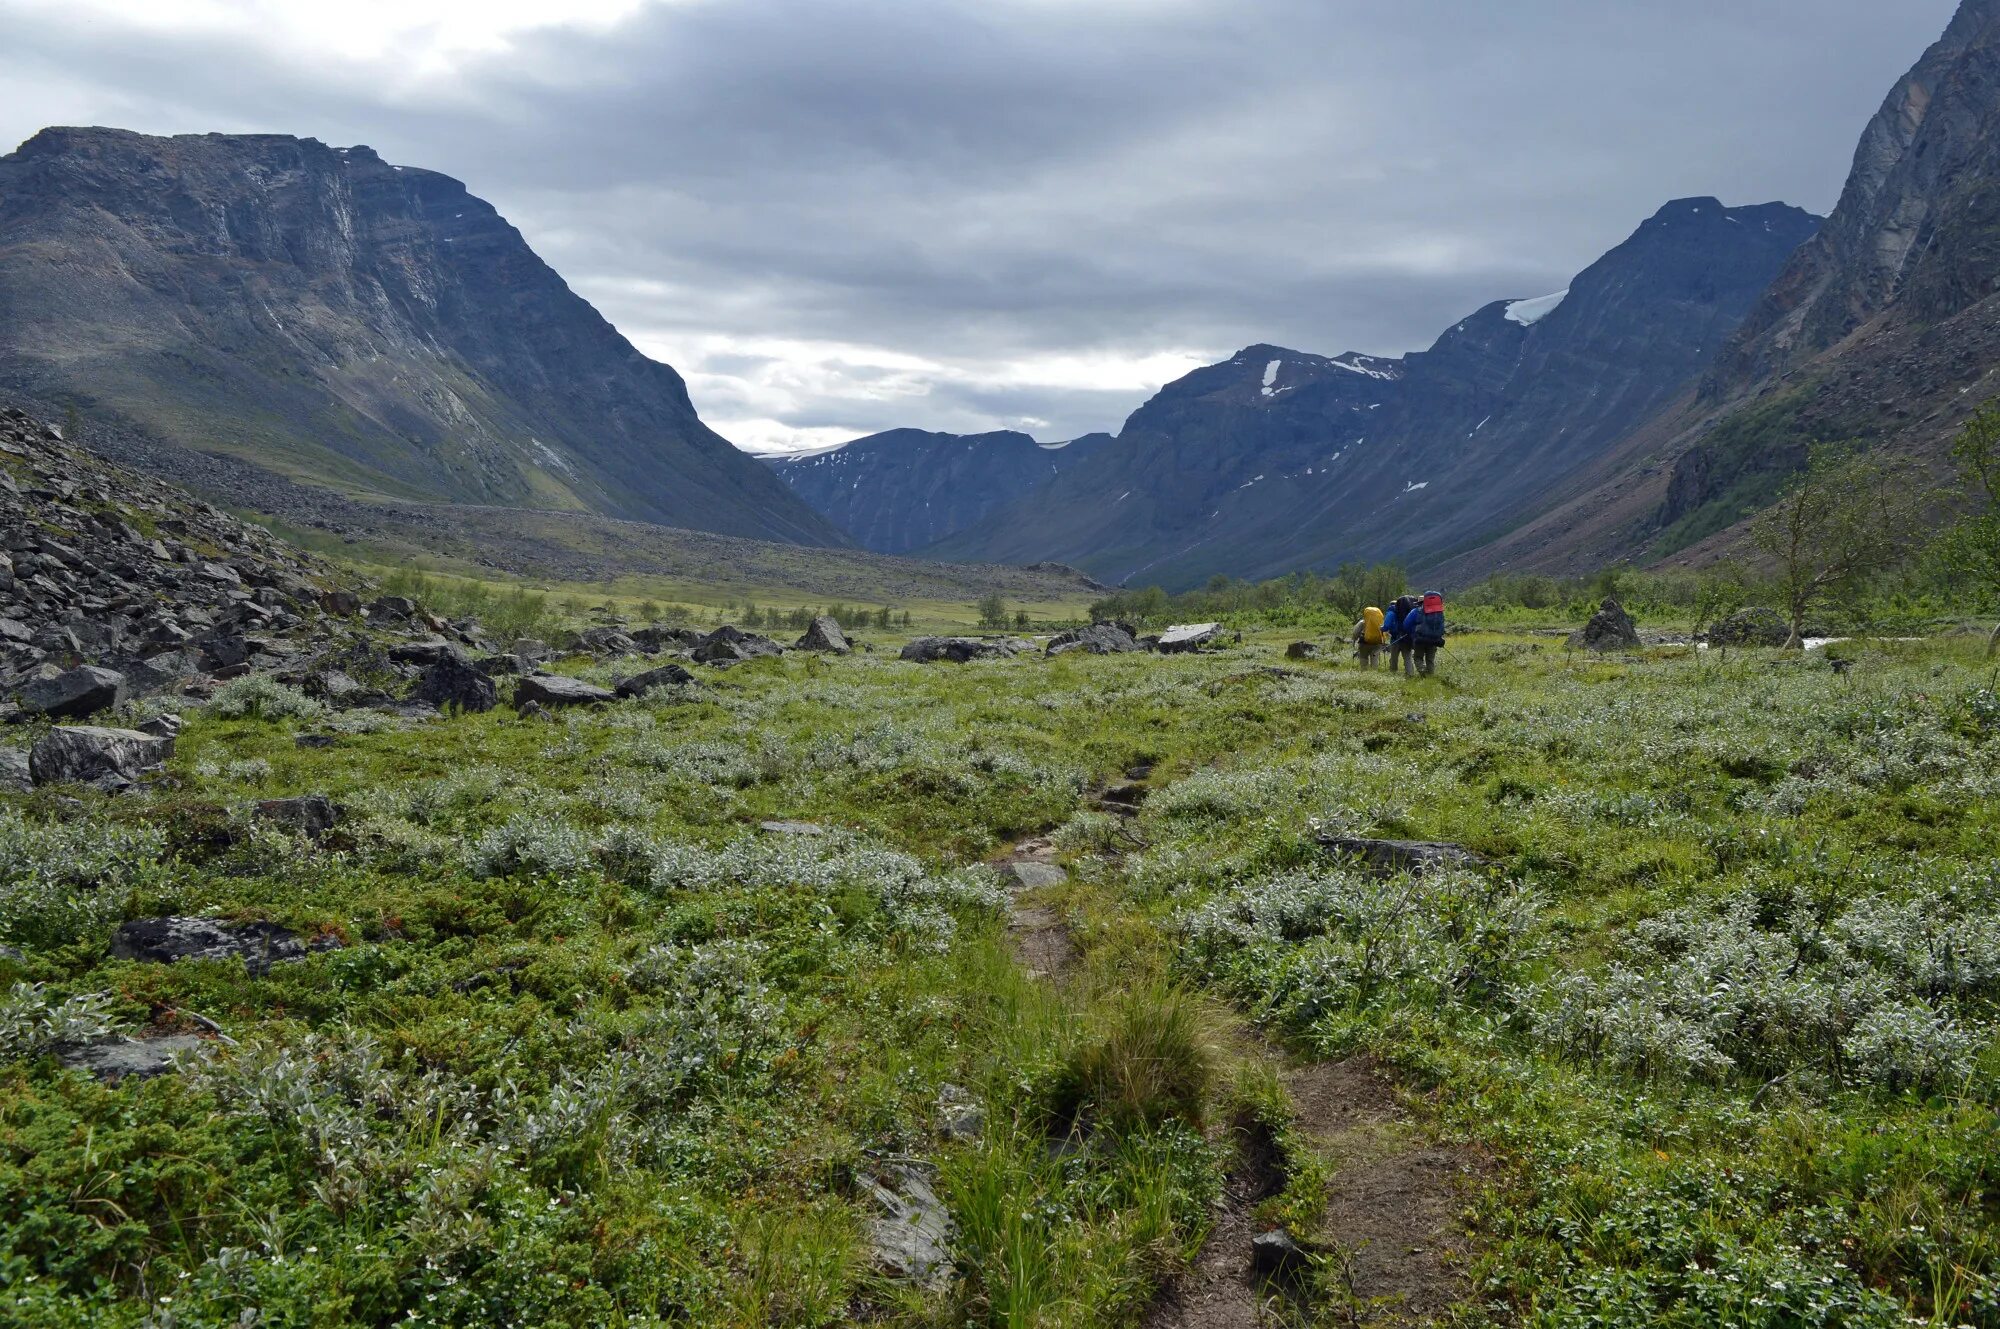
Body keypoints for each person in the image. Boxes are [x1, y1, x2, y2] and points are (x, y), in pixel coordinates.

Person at [1408, 590, 1446, 676]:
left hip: (1420, 638)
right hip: (1434, 639)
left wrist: (1412, 633)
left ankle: (1423, 672)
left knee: (1418, 657)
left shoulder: (1416, 611)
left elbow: (1406, 624)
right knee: (1430, 659)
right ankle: (1431, 676)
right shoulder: (1439, 612)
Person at [1385, 595, 1415, 676]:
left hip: (1395, 639)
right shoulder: (1410, 611)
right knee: (1407, 657)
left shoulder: (1391, 613)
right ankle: (1410, 674)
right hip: (1407, 637)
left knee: (1394, 658)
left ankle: (1393, 673)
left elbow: (1386, 626)